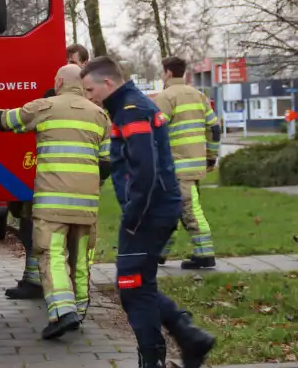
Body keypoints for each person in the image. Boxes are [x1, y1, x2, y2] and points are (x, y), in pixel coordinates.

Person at [80, 56, 215, 368]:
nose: (89, 97)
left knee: (131, 286)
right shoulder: (130, 106)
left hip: (150, 213)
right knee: (139, 284)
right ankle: (181, 342)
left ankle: (178, 342)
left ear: (107, 83)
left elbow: (146, 170)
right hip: (157, 209)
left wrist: (134, 216)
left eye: (89, 90)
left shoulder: (131, 110)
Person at [0, 64, 109, 339]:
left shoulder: (44, 107)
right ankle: (79, 312)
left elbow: (7, 121)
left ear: (58, 82)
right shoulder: (100, 115)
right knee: (80, 259)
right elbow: (108, 162)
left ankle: (63, 311)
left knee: (51, 254)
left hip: (52, 204)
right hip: (86, 205)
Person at [5, 43, 96, 301]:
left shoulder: (93, 98)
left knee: (68, 241)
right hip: (46, 176)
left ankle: (68, 295)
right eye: (66, 60)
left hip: (73, 185)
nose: (70, 64)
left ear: (85, 64)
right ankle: (37, 282)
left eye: (74, 61)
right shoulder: (52, 97)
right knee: (32, 229)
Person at [153, 56, 222, 269]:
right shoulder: (198, 95)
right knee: (171, 209)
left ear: (167, 73)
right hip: (196, 165)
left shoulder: (165, 98)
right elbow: (214, 128)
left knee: (190, 210)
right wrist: (211, 157)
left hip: (176, 168)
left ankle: (205, 254)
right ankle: (159, 253)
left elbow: (155, 131)